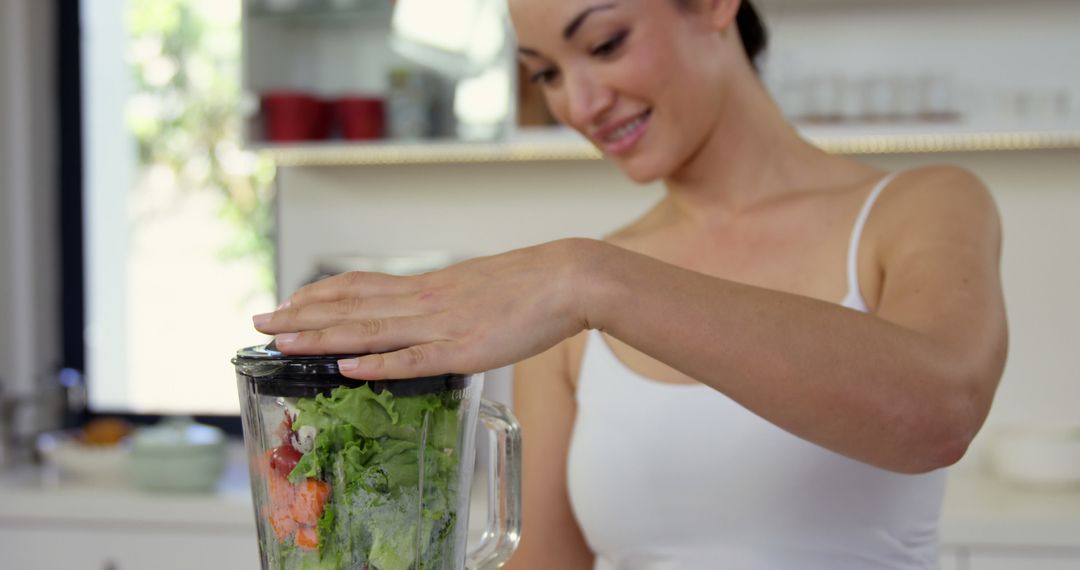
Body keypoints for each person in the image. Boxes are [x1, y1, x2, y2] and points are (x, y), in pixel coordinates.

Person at [252, 0, 1008, 567]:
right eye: (546, 72)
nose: (579, 105)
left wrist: (588, 278)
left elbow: (940, 413)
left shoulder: (917, 206)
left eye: (606, 43)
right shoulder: (569, 299)